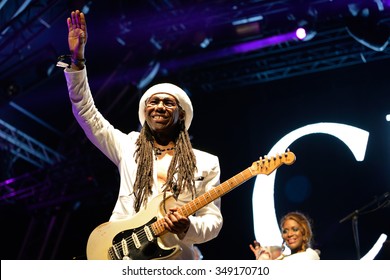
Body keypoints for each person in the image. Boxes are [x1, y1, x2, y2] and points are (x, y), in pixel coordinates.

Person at [64, 10, 223, 260]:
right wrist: (77, 61)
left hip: (173, 259)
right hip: (123, 253)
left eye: (168, 103)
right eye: (153, 102)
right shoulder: (128, 146)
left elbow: (212, 221)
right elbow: (86, 112)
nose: (159, 106)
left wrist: (188, 227)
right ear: (145, 111)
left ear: (181, 115)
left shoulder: (206, 162)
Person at [250, 211, 320, 260]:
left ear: (304, 233)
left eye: (295, 229)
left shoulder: (310, 256)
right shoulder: (281, 260)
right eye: (285, 231)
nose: (289, 234)